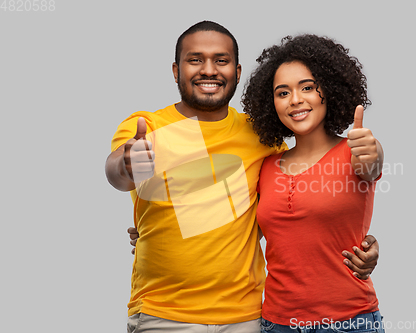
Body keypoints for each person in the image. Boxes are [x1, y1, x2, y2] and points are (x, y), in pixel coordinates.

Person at [106, 21, 380, 333]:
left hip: (246, 318)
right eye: (195, 59)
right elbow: (117, 174)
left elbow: (301, 207)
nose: (208, 70)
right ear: (175, 70)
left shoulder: (262, 139)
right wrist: (128, 166)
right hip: (161, 315)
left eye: (220, 61)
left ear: (236, 72)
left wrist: (362, 243)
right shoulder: (145, 127)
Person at [242, 34, 385, 332]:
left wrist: (371, 151)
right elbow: (238, 234)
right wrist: (155, 228)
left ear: (330, 89)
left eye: (307, 87)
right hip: (276, 324)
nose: (295, 100)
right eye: (283, 93)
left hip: (350, 322)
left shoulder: (355, 151)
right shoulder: (267, 167)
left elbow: (370, 166)